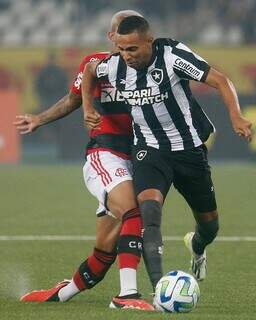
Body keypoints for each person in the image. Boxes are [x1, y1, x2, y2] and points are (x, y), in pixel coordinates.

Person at [82, 16, 253, 289]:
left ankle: (197, 247)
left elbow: (220, 80)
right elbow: (90, 71)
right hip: (149, 151)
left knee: (210, 227)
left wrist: (236, 117)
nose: (126, 56)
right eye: (122, 49)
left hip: (188, 151)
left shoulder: (172, 55)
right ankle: (158, 287)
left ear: (149, 41)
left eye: (132, 49)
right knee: (148, 213)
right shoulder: (114, 66)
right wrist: (87, 108)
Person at [14, 11, 154, 311]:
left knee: (104, 252)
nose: (124, 43)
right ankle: (127, 296)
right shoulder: (99, 64)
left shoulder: (152, 69)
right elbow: (72, 99)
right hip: (105, 155)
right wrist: (39, 118)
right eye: (119, 34)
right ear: (111, 37)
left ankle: (61, 294)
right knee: (133, 211)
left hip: (138, 158)